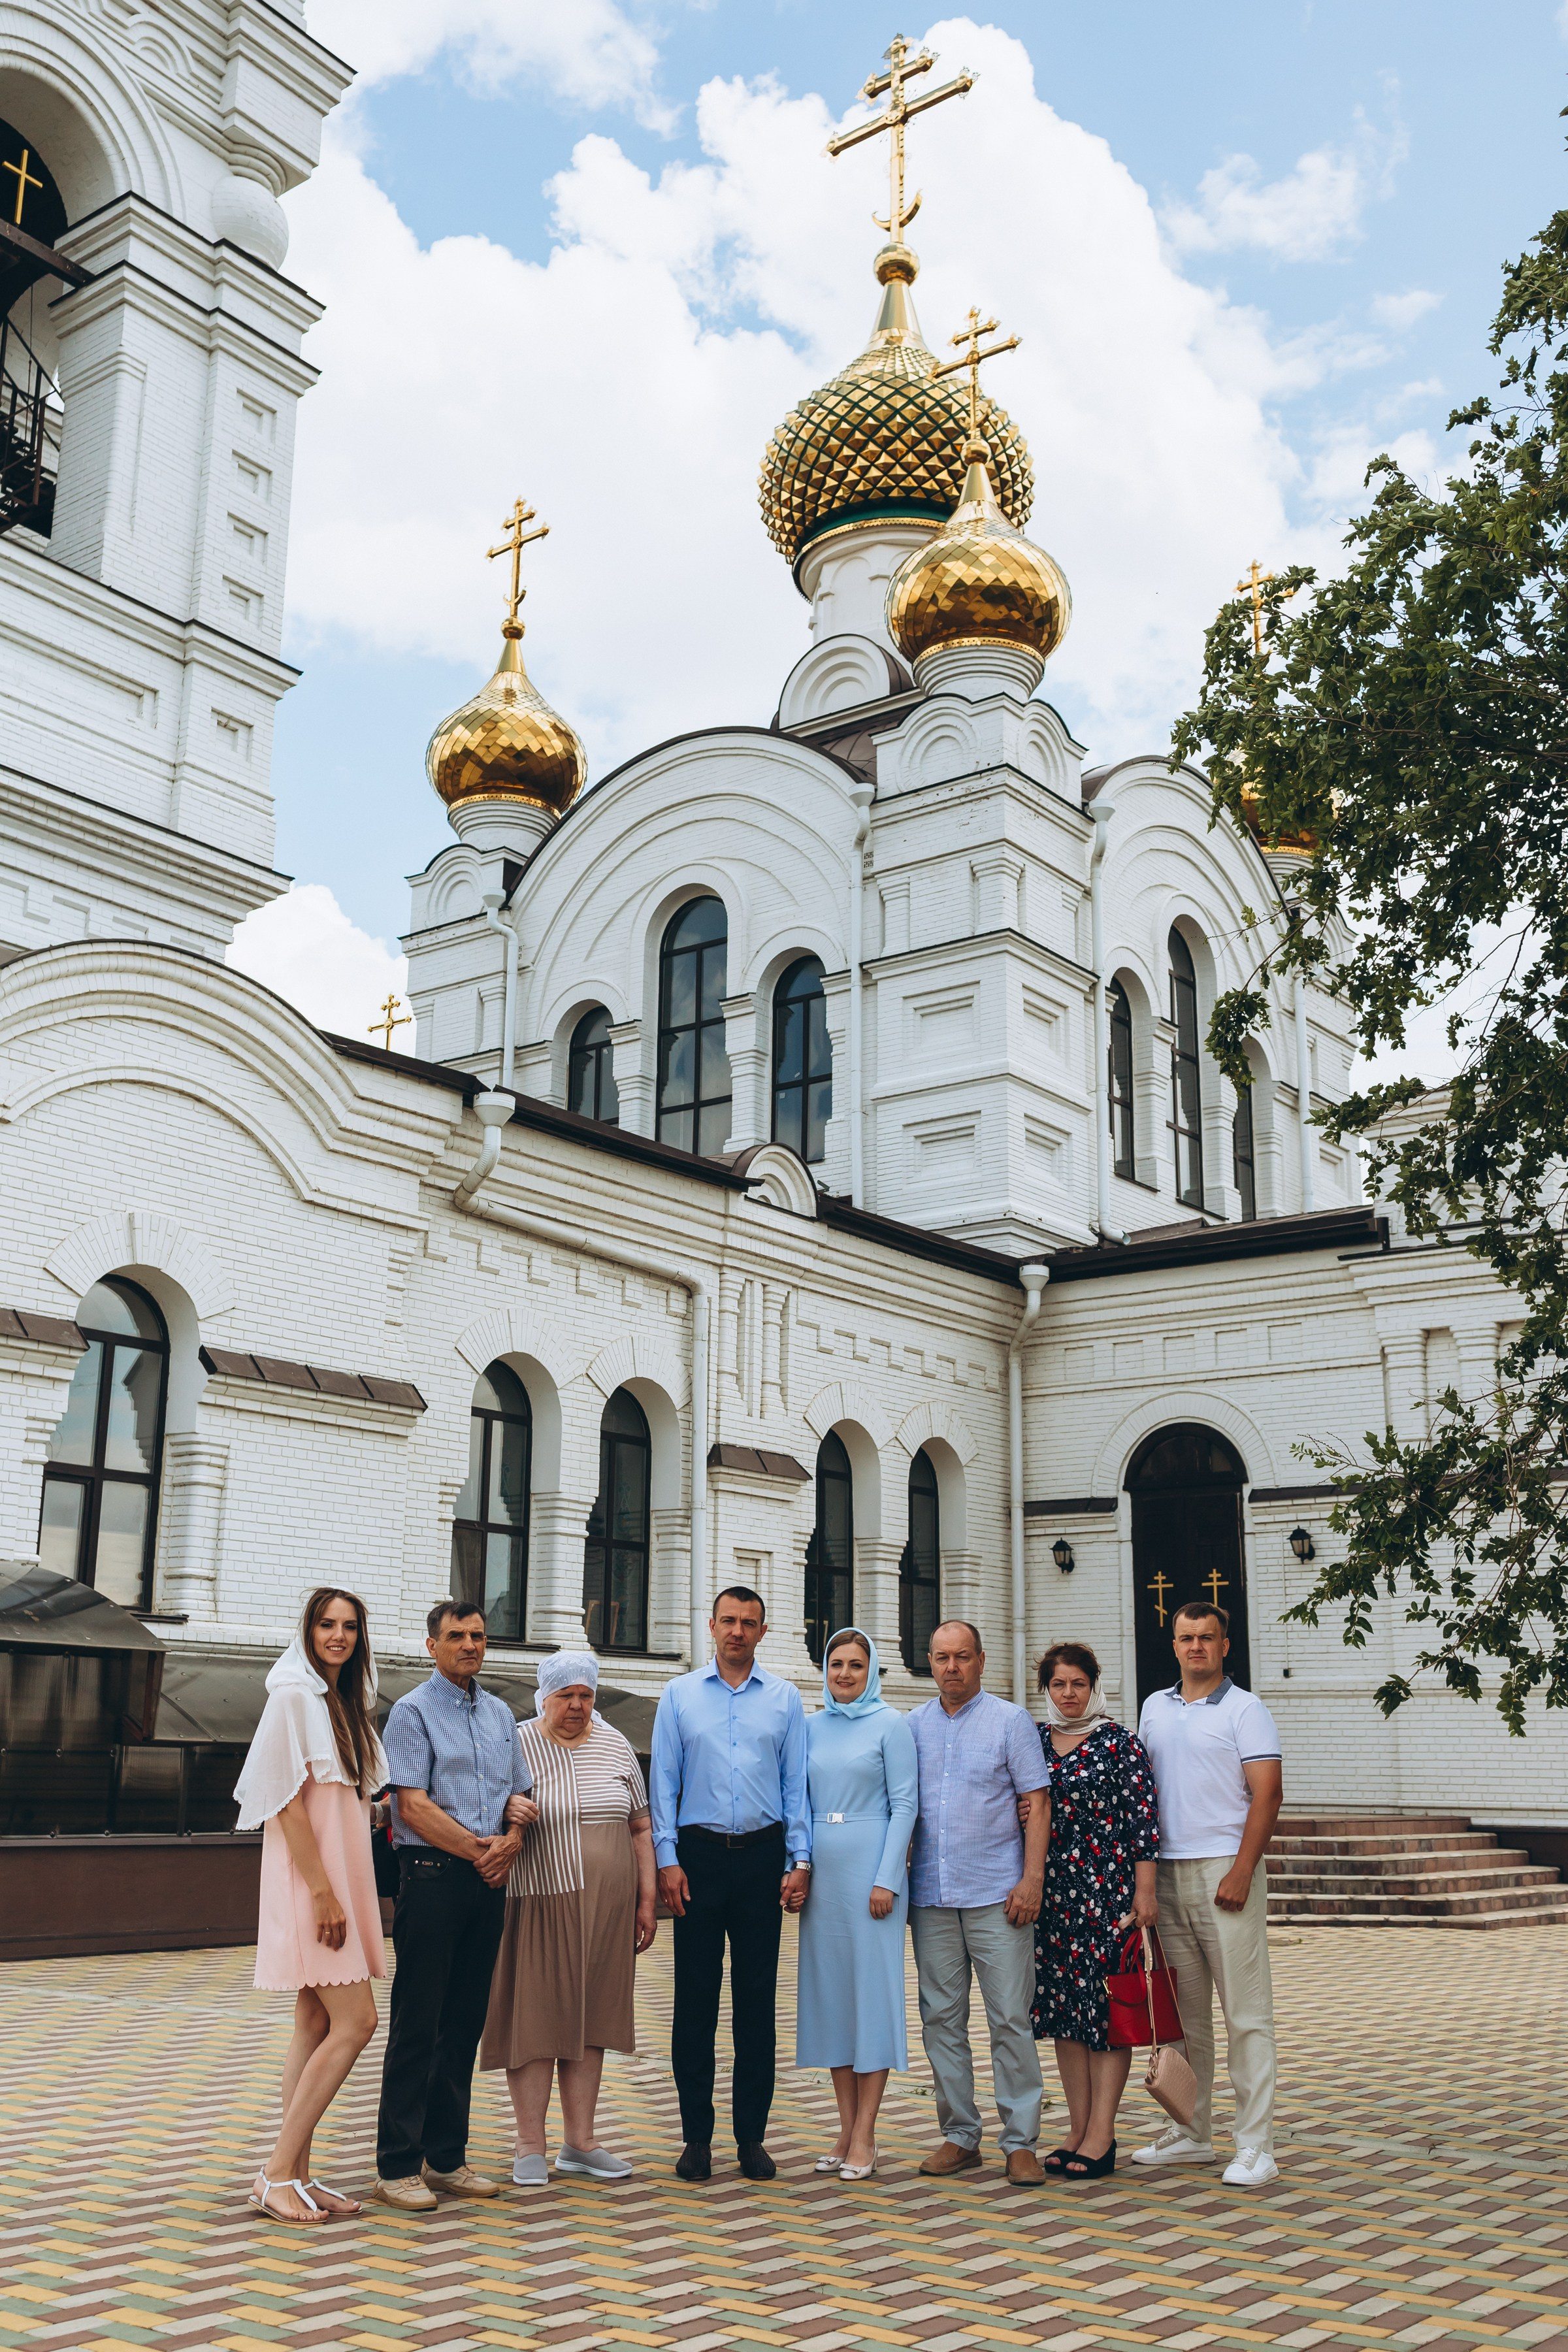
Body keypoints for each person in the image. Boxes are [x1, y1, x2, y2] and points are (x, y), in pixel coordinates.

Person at [372, 1600, 538, 2211]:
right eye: (457, 1636)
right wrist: (481, 1849)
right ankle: (396, 2166)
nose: (470, 1645)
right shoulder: (412, 1713)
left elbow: (520, 1794)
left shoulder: (499, 1714)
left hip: (488, 1883)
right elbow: (410, 1807)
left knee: (464, 2023)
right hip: (435, 1875)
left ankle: (445, 2158)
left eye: (478, 1635)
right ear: (431, 1645)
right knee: (419, 2023)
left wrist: (513, 1840)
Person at [235, 1586, 388, 2227]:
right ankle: (275, 2173)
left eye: (349, 1626)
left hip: (339, 1884)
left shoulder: (344, 1704)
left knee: (315, 2024)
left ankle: (295, 2173)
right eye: (326, 1624)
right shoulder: (293, 1697)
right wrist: (324, 1893)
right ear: (308, 1630)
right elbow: (284, 1803)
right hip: (313, 1888)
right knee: (357, 2023)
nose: (338, 1636)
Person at [649, 1585, 811, 2182]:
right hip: (697, 1858)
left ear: (763, 1632)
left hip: (763, 1860)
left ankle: (752, 2139)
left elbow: (796, 1786)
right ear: (710, 1625)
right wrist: (668, 1859)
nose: (738, 1631)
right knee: (694, 2005)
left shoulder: (786, 1699)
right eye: (728, 1621)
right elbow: (663, 1781)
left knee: (756, 2007)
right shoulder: (679, 1695)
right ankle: (696, 2140)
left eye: (749, 1623)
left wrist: (801, 1860)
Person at [480, 1650, 657, 2185]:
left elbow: (641, 1827)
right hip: (539, 1896)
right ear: (545, 1697)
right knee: (536, 2017)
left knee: (592, 2020)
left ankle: (581, 2142)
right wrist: (509, 1807)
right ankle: (529, 2141)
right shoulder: (516, 1740)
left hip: (609, 1906)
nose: (577, 1705)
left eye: (586, 1695)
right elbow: (483, 1805)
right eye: (566, 1696)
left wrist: (647, 1900)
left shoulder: (616, 1744)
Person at [1133, 1599, 1284, 2189]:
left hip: (1225, 1868)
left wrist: (1243, 1870)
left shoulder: (1246, 1710)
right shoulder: (1154, 1707)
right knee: (1184, 2017)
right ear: (1174, 1645)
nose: (1196, 1646)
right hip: (1167, 1874)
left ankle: (1256, 2147)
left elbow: (1267, 1795)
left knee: (1246, 2015)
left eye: (1207, 1637)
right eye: (1186, 1637)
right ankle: (1193, 2132)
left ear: (1226, 1646)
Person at [906, 1620, 1052, 2186]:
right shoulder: (911, 1726)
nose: (951, 1668)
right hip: (931, 1897)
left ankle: (1020, 2142)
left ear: (981, 1661)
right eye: (941, 1657)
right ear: (930, 1661)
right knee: (941, 2018)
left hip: (999, 1895)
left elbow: (1035, 1803)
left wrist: (1031, 1880)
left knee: (1010, 2019)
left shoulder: (1010, 1721)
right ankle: (960, 2135)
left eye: (962, 1657)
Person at [1027, 1641, 1159, 2181]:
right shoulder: (1033, 1741)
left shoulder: (1118, 1744)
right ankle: (1077, 2129)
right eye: (1059, 1685)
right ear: (1047, 1690)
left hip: (1107, 1897)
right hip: (1053, 1899)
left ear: (1094, 1685)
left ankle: (1103, 2134)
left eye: (1078, 1683)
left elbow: (1144, 1823)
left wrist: (1145, 1894)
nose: (1069, 1693)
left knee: (1106, 2016)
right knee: (1065, 2015)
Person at [795, 1627, 919, 2180]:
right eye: (837, 1663)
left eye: (856, 1665)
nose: (845, 1673)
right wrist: (798, 1867)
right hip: (824, 1876)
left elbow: (906, 1805)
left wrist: (887, 1878)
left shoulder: (891, 1724)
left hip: (873, 1872)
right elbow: (795, 1801)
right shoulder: (808, 1726)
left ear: (871, 1672)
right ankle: (844, 2129)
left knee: (871, 1998)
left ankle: (868, 2133)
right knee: (834, 2002)